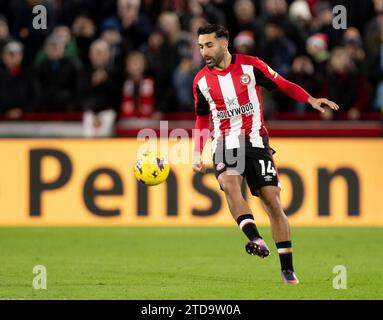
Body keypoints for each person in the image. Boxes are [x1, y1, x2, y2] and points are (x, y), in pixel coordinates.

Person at [192, 24, 339, 284]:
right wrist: (197, 152)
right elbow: (202, 119)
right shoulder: (201, 82)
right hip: (226, 142)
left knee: (272, 201)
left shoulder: (251, 66)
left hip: (256, 142)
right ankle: (254, 238)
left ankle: (287, 270)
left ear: (224, 43)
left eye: (209, 44)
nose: (204, 50)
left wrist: (310, 100)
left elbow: (282, 84)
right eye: (201, 46)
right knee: (229, 184)